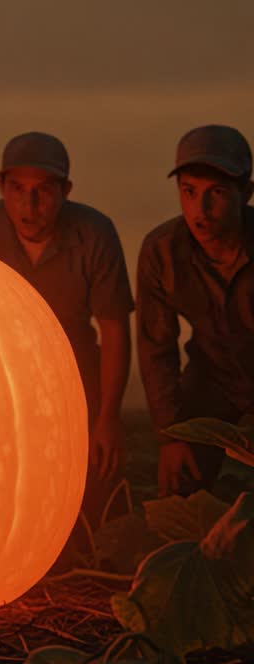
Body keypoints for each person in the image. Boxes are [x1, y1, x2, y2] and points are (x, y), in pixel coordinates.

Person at [0, 131, 134, 528]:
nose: (29, 205)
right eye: (17, 189)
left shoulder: (94, 233)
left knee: (93, 495)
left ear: (65, 190)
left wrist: (107, 418)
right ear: (2, 188)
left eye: (43, 190)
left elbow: (114, 328)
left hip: (74, 375)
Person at [137, 125, 254, 498]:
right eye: (189, 192)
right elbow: (156, 348)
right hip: (212, 378)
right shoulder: (162, 251)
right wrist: (170, 437)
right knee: (178, 486)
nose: (200, 211)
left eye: (216, 193)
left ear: (245, 194)